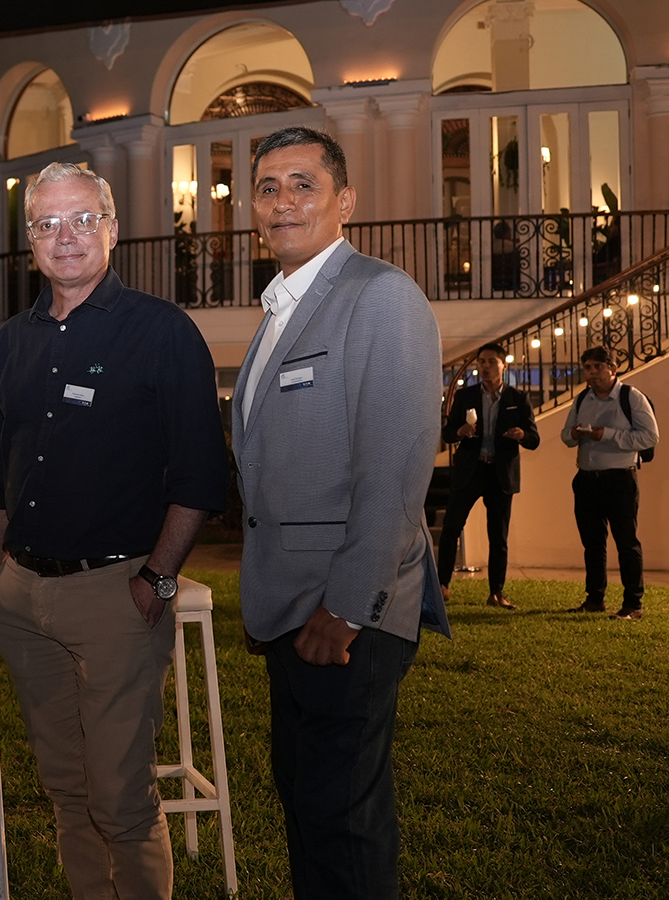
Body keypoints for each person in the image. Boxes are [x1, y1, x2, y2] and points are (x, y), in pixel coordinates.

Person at [0, 162, 229, 900]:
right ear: (30, 240)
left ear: (112, 230)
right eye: (48, 224)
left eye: (83, 219)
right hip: (22, 597)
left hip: (118, 594)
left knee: (120, 795)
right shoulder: (13, 340)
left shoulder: (162, 332)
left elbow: (200, 475)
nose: (66, 237)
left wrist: (157, 578)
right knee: (64, 786)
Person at [232, 126, 449, 900]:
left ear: (345, 201)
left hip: (346, 618)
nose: (283, 201)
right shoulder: (279, 312)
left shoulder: (380, 296)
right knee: (309, 810)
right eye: (268, 187)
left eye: (304, 184)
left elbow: (395, 469)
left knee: (342, 829)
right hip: (290, 613)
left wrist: (349, 609)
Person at [437, 342, 539, 609]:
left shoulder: (518, 399)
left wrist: (521, 435)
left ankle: (496, 592)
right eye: (481, 362)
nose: (485, 366)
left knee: (498, 536)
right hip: (470, 471)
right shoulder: (466, 396)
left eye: (491, 361)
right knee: (451, 528)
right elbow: (447, 433)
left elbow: (534, 438)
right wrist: (459, 432)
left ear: (504, 365)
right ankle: (442, 585)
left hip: (500, 473)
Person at [560, 346, 659, 619]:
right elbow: (565, 437)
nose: (592, 373)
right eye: (587, 368)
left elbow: (650, 437)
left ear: (613, 368)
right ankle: (595, 598)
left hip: (620, 479)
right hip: (586, 479)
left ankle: (633, 604)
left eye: (597, 367)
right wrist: (574, 434)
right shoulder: (582, 399)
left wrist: (606, 434)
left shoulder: (631, 397)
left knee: (626, 542)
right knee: (592, 543)